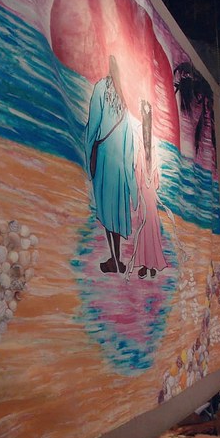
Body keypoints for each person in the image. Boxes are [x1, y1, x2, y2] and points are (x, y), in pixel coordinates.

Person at [84, 55, 138, 274]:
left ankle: (115, 260)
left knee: (107, 212)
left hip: (106, 158)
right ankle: (116, 259)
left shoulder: (101, 88)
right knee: (115, 212)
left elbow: (93, 125)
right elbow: (129, 143)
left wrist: (87, 155)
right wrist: (132, 184)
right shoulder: (123, 100)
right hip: (120, 165)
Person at [129, 99, 167, 278]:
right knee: (144, 224)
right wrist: (139, 183)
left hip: (149, 187)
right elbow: (137, 162)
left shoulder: (153, 140)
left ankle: (151, 263)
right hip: (144, 185)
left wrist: (151, 181)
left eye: (147, 112)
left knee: (151, 223)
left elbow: (155, 166)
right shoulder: (138, 133)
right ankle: (145, 263)